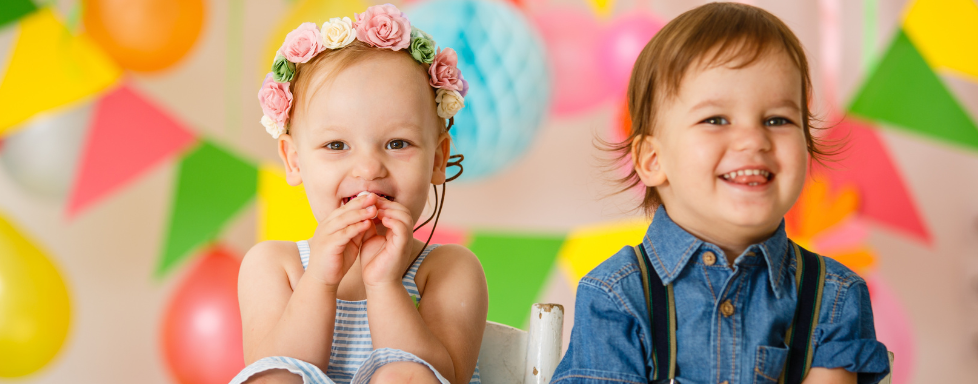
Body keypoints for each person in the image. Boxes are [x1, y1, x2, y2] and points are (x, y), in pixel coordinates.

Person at [552, 3, 890, 384]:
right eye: (715, 120)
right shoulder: (618, 296)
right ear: (652, 160)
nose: (753, 139)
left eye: (777, 119)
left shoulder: (833, 297)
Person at [231, 4, 487, 384]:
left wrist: (383, 284)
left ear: (438, 159)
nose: (369, 169)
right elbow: (273, 374)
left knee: (405, 374)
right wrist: (319, 279)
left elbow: (444, 377)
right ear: (294, 161)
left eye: (398, 143)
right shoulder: (273, 267)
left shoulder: (448, 271)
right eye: (336, 145)